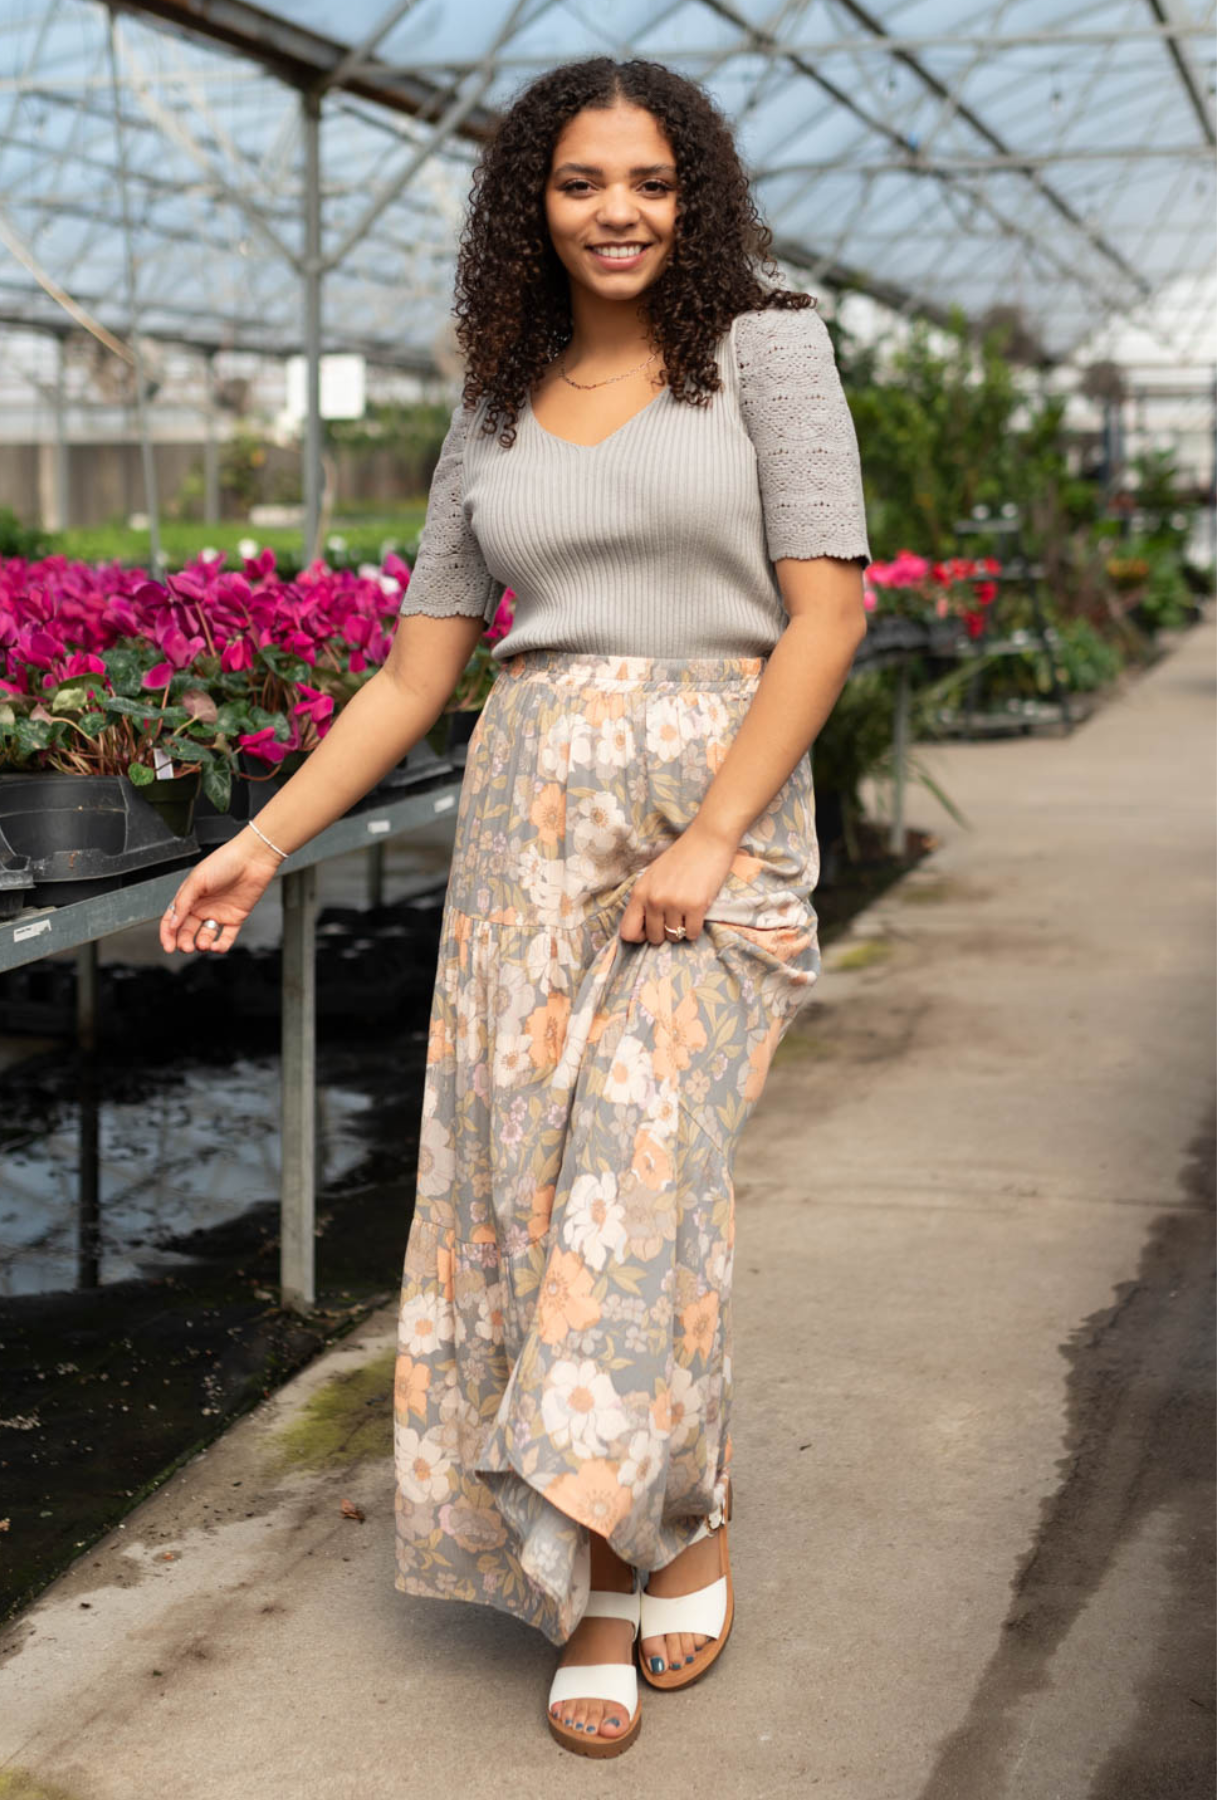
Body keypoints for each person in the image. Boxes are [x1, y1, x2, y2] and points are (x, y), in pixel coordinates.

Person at [160, 54, 870, 1760]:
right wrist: (262, 840)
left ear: (689, 195)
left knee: (636, 1168)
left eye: (648, 181)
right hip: (526, 822)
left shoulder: (766, 346)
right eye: (578, 182)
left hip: (715, 811)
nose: (616, 212)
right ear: (528, 203)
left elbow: (828, 613)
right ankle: (621, 1554)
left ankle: (643, 1545)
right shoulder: (495, 390)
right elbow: (418, 675)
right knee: (522, 1195)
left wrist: (710, 832)